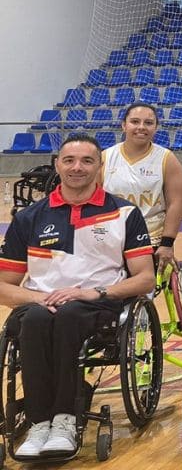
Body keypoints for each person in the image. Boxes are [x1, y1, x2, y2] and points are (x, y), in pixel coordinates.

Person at [0, 134, 155, 459]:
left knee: (69, 315)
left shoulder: (124, 213)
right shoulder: (29, 218)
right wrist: (37, 298)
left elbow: (145, 279)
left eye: (87, 161)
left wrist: (91, 292)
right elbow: (5, 284)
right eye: (69, 160)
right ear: (57, 165)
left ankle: (66, 420)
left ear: (100, 167)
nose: (77, 167)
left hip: (98, 304)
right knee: (39, 319)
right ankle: (40, 422)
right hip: (41, 305)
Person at [101, 102, 182, 272]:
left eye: (148, 123)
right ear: (124, 125)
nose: (141, 127)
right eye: (135, 122)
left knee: (140, 289)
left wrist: (167, 243)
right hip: (110, 237)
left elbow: (176, 203)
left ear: (156, 128)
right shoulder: (105, 157)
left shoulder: (167, 159)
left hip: (150, 239)